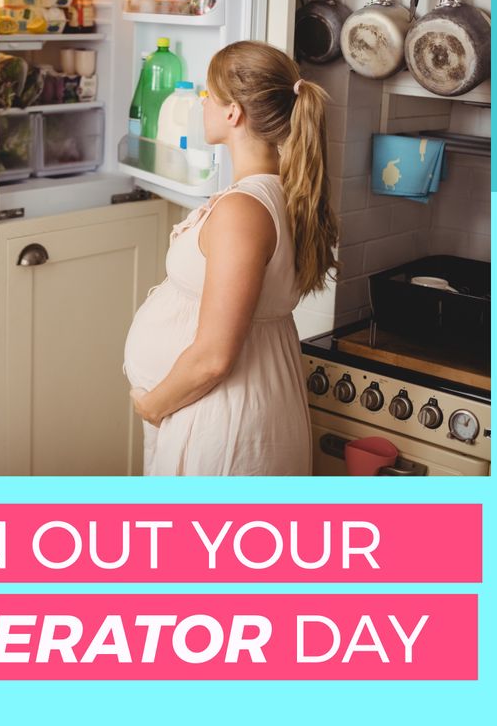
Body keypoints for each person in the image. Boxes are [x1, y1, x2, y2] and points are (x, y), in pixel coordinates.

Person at [123, 40, 339, 475]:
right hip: (232, 409)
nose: (201, 103)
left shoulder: (244, 210)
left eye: (208, 94)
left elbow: (213, 357)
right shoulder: (278, 193)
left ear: (233, 113)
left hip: (224, 422)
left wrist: (153, 405)